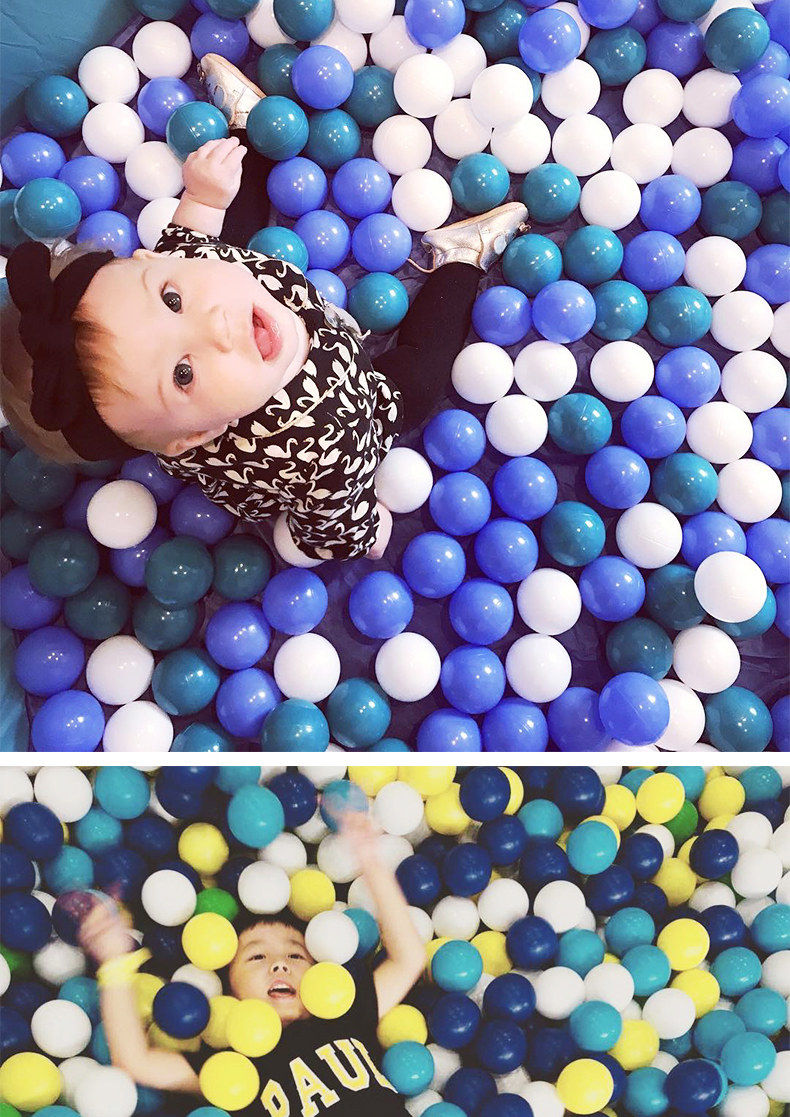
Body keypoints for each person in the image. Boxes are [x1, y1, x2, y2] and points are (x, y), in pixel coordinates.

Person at [3, 54, 528, 562]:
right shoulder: (320, 445)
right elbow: (332, 518)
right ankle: (462, 262)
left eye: (171, 300)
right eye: (183, 373)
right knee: (418, 378)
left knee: (227, 235)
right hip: (358, 397)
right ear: (194, 438)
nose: (214, 324)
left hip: (276, 305)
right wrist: (362, 532)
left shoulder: (193, 268)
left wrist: (204, 197)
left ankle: (249, 129)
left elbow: (189, 239)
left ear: (152, 260)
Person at [79, 811, 425, 1116]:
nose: (279, 965)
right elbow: (136, 1062)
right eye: (257, 956)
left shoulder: (345, 1014)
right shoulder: (234, 1062)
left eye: (295, 955)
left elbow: (409, 958)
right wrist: (114, 963)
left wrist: (370, 860)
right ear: (231, 989)